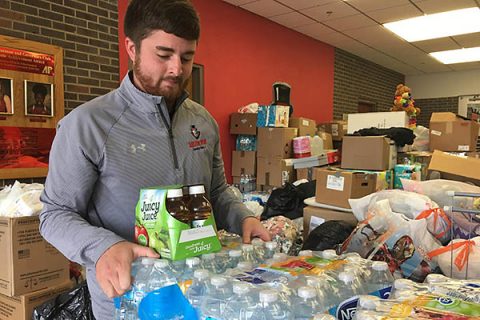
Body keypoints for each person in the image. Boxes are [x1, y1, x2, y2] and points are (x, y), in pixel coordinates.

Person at [39, 0, 271, 318]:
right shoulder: (86, 125)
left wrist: (244, 218)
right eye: (163, 55)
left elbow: (216, 192)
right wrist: (104, 246)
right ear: (132, 48)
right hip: (127, 301)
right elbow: (55, 214)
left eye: (187, 57)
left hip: (202, 292)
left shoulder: (203, 121)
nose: (177, 69)